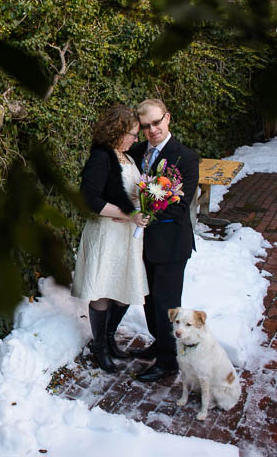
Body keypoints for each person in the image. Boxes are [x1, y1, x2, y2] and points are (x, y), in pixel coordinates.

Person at [127, 98, 200, 382]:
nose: (152, 130)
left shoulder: (185, 157)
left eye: (156, 122)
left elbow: (181, 205)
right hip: (140, 242)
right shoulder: (135, 152)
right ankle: (161, 342)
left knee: (165, 303)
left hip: (170, 243)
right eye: (146, 126)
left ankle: (169, 361)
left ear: (167, 118)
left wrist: (146, 206)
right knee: (147, 299)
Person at [73, 105, 149, 373]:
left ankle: (108, 337)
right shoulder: (101, 157)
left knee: (126, 287)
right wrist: (128, 214)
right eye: (132, 133)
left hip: (128, 236)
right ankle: (100, 347)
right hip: (106, 233)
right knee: (104, 289)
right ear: (116, 132)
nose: (135, 139)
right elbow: (89, 198)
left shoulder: (128, 157)